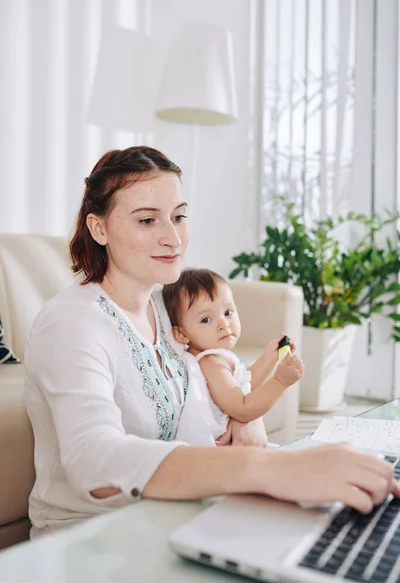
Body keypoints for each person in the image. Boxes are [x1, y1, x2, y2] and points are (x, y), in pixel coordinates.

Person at [25, 146, 400, 539]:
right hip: (92, 538)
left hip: (182, 511)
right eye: (147, 220)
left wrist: (246, 416)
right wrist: (265, 470)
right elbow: (93, 461)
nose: (173, 238)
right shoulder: (71, 323)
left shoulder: (166, 308)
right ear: (98, 228)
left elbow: (221, 372)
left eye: (179, 216)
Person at [162, 267, 303, 446]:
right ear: (181, 334)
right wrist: (280, 382)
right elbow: (243, 408)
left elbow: (244, 384)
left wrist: (270, 357)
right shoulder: (210, 363)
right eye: (206, 319)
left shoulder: (216, 356)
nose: (223, 324)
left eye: (228, 313)